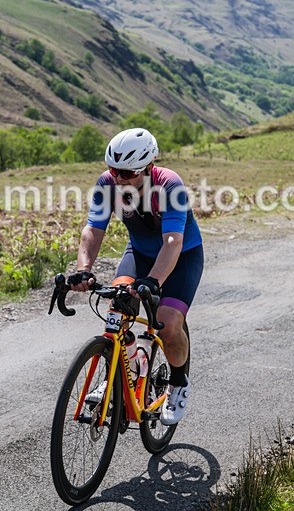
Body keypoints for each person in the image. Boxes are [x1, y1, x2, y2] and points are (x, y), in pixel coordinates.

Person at [68, 128, 204, 425]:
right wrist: (83, 269)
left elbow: (172, 242)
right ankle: (117, 377)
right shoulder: (108, 185)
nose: (119, 178)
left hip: (181, 256)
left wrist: (153, 281)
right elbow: (93, 229)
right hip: (140, 253)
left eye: (127, 173)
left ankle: (178, 383)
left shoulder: (170, 185)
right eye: (113, 170)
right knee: (118, 308)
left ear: (148, 168)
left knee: (167, 325)